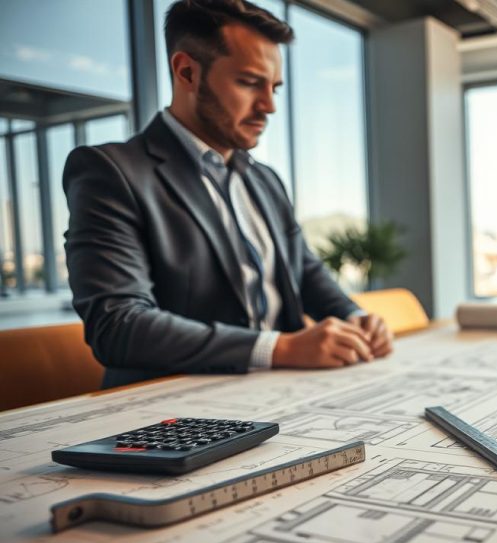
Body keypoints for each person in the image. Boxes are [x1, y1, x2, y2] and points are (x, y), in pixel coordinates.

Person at [63, 0, 392, 389]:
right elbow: (119, 325)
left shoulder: (265, 180)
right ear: (186, 72)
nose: (269, 106)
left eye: (274, 88)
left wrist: (354, 317)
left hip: (285, 393)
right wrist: (280, 348)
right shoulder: (110, 172)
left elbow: (304, 272)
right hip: (173, 406)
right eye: (250, 82)